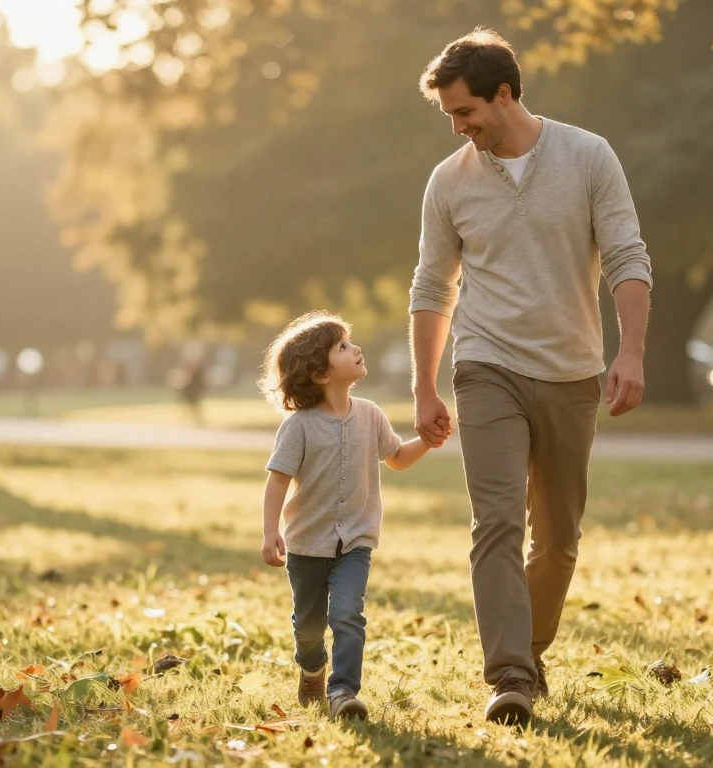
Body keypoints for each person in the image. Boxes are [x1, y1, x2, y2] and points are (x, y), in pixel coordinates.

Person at [409, 28, 654, 726]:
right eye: (451, 117)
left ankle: (530, 650)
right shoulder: (448, 182)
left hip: (572, 370)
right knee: (495, 523)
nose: (460, 128)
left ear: (505, 93)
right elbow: (432, 286)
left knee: (559, 537)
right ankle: (510, 675)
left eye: (466, 112)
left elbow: (628, 257)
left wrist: (630, 352)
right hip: (485, 364)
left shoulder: (587, 156)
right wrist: (426, 385)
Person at [258, 311, 432, 721]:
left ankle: (342, 692)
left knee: (348, 613)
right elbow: (278, 481)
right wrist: (269, 531)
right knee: (309, 625)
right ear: (320, 374)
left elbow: (397, 459)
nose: (356, 349)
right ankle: (312, 668)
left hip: (356, 540)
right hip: (306, 543)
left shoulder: (370, 414)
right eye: (343, 346)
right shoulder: (298, 427)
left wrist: (427, 438)